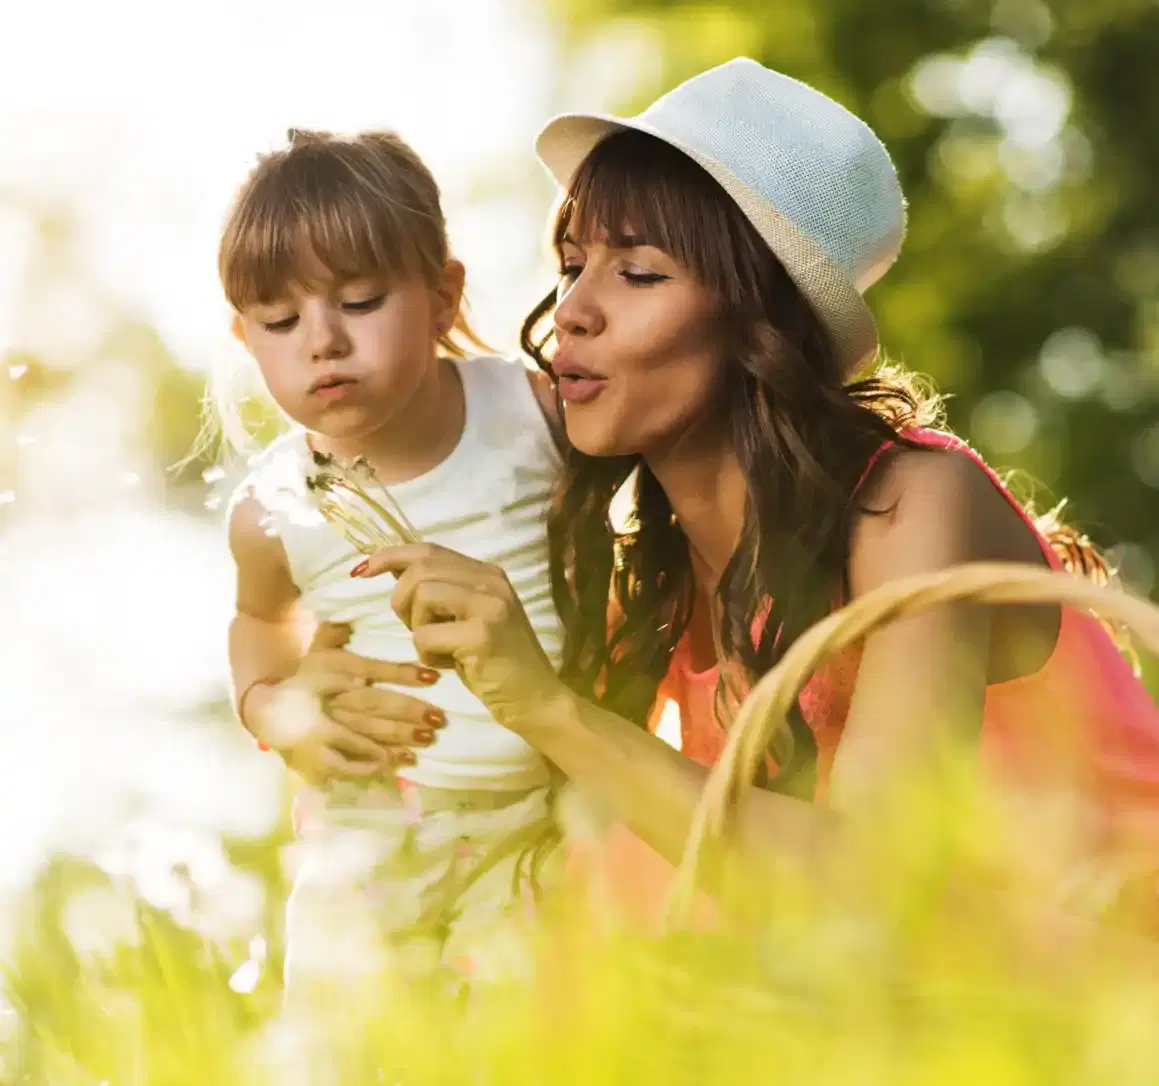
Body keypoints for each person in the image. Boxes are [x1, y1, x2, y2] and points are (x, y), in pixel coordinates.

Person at [349, 59, 1159, 929]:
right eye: (574, 263)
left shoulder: (916, 502)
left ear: (756, 325)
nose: (572, 309)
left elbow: (871, 894)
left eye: (639, 273)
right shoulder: (651, 584)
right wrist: (314, 702)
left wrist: (550, 708)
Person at [218, 128, 564, 998]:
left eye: (361, 301)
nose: (322, 341)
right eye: (281, 321)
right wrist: (273, 708)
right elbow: (261, 625)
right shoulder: (273, 509)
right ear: (245, 337)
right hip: (370, 822)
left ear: (443, 295)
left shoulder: (531, 414)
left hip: (551, 811)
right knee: (355, 1038)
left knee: (520, 1039)